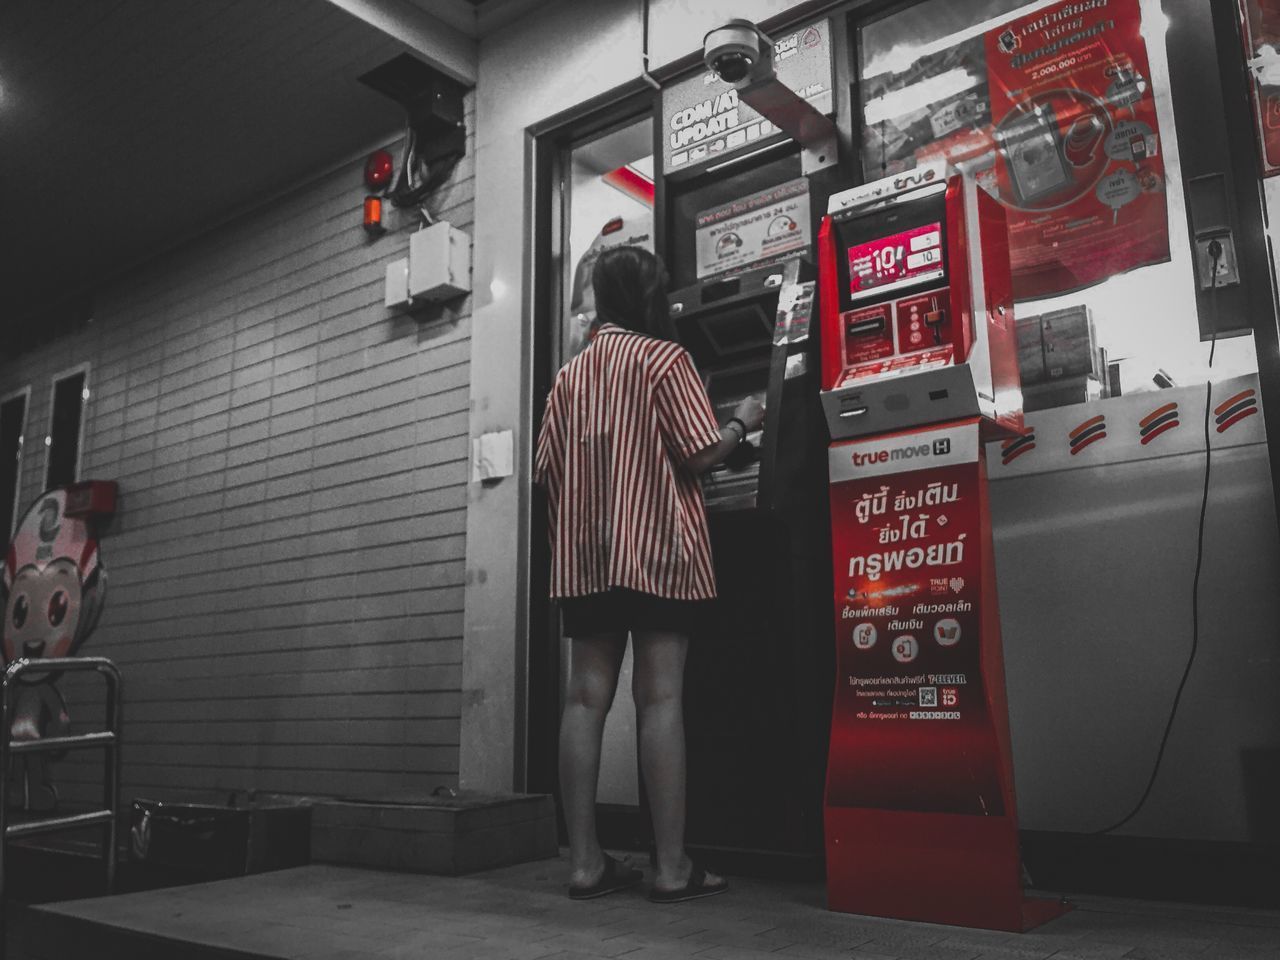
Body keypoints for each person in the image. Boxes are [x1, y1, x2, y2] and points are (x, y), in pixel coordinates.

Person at [534, 246, 765, 903]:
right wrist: (743, 422)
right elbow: (699, 455)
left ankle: (584, 865)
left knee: (584, 701)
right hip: (661, 552)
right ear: (652, 299)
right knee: (659, 700)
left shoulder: (568, 376)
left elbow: (545, 471)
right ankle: (669, 868)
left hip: (586, 559)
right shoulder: (666, 360)